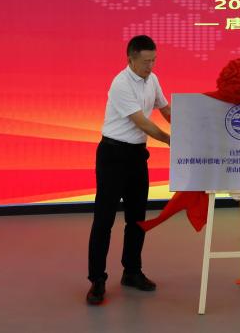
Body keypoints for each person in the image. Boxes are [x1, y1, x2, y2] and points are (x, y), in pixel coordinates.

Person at [86, 35, 171, 306]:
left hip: (136, 156)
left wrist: (189, 125)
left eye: (154, 60)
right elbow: (142, 123)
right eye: (146, 62)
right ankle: (97, 280)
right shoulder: (120, 83)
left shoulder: (152, 79)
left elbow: (165, 109)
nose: (151, 66)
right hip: (112, 156)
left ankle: (132, 271)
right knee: (104, 220)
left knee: (137, 219)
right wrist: (171, 140)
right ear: (131, 59)